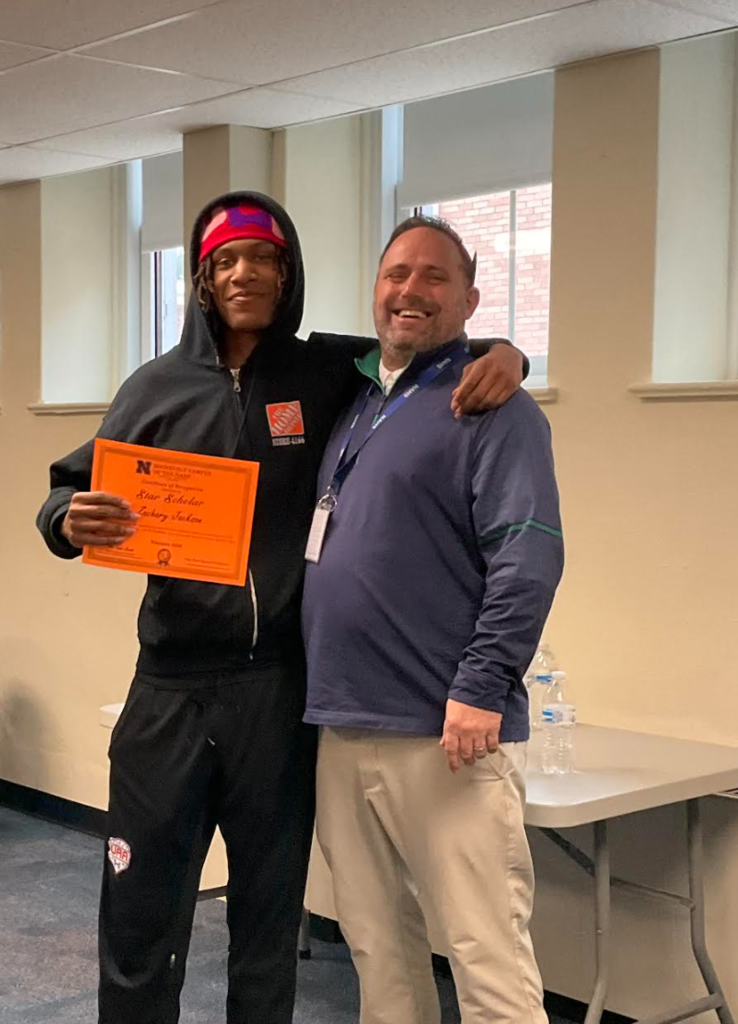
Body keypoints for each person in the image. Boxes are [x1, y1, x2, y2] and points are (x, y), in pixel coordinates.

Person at [36, 193, 527, 1024]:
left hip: (279, 693)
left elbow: (424, 346)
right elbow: (72, 486)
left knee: (266, 922)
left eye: (262, 258)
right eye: (225, 261)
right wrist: (61, 518)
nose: (244, 274)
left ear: (287, 272)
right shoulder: (154, 387)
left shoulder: (328, 373)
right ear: (200, 278)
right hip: (169, 691)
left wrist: (507, 352)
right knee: (140, 912)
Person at [302, 215, 565, 1024]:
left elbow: (528, 555)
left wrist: (482, 686)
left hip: (446, 731)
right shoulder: (355, 396)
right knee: (378, 949)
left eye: (433, 277)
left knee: (486, 956)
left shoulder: (491, 404)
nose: (409, 290)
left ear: (470, 299)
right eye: (395, 274)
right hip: (342, 721)